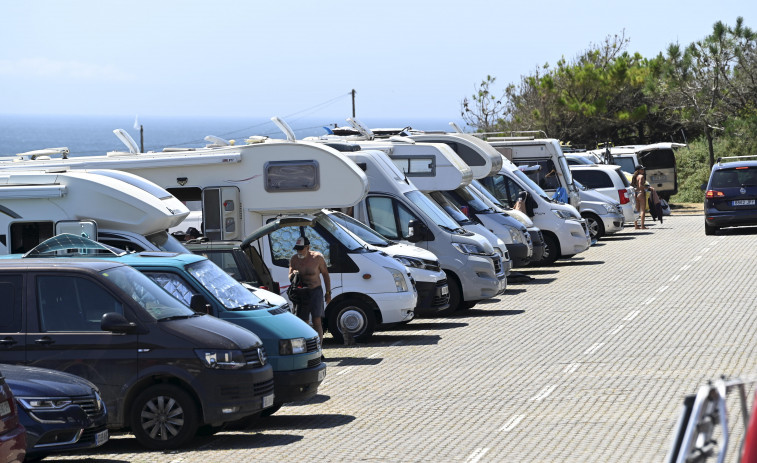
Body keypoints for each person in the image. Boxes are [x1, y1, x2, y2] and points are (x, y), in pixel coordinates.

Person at [288, 236, 331, 344]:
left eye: (301, 248)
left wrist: (328, 293)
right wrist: (293, 274)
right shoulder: (294, 259)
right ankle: (307, 347)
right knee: (304, 321)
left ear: (307, 247)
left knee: (317, 320)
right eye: (297, 249)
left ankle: (319, 348)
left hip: (315, 290)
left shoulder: (317, 258)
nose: (299, 251)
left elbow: (325, 275)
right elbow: (289, 276)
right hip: (302, 293)